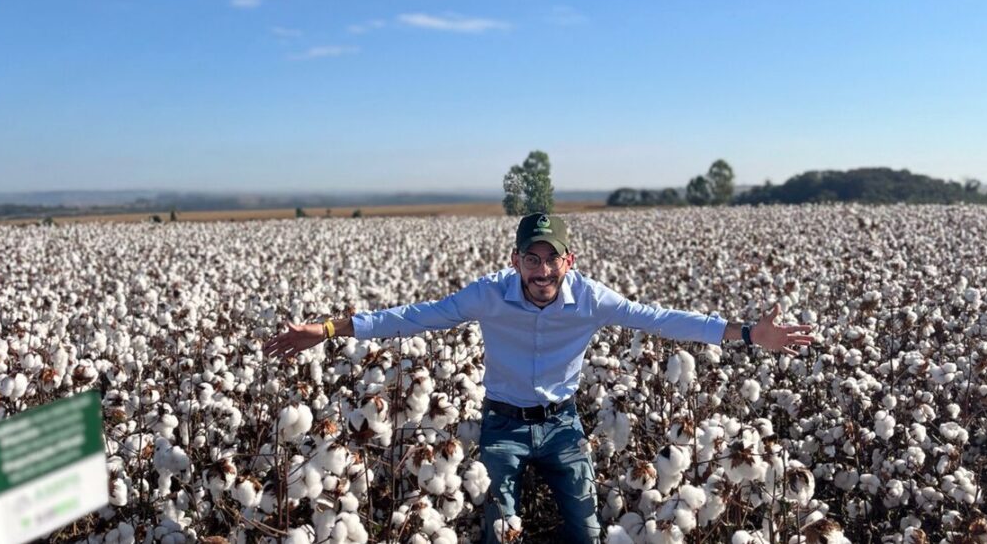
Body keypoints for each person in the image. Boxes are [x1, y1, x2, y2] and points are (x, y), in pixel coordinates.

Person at [264, 213, 814, 543]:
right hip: (502, 424)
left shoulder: (591, 298)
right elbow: (413, 315)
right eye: (533, 258)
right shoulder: (488, 293)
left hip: (563, 427)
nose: (543, 270)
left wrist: (746, 335)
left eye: (553, 259)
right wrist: (329, 328)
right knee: (498, 530)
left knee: (588, 531)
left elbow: (662, 319)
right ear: (517, 259)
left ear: (568, 261)